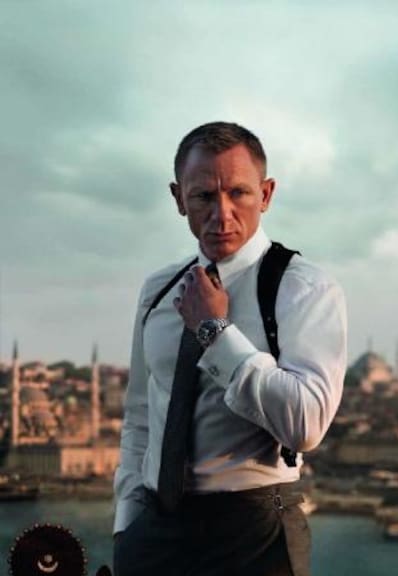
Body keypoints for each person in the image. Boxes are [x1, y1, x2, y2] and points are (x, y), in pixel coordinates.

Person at [112, 122, 347, 576]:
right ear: (179, 198)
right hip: (154, 532)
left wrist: (214, 333)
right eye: (203, 196)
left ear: (266, 194)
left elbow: (306, 425)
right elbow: (141, 414)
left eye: (238, 193)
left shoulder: (305, 289)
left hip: (254, 532)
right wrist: (127, 525)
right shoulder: (158, 291)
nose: (222, 214)